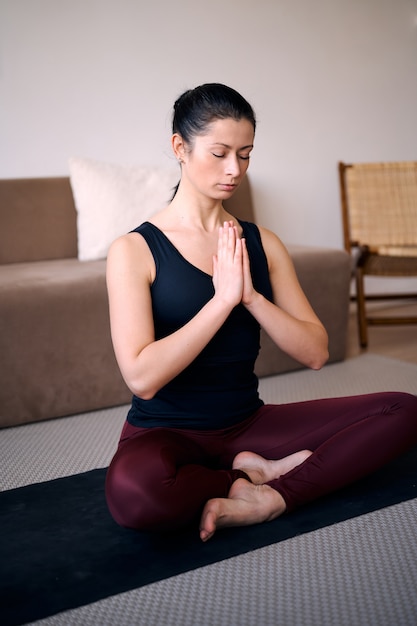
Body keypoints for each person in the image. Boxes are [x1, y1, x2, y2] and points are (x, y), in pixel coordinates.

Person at [105, 83, 417, 541]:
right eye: (220, 153)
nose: (235, 170)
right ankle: (250, 477)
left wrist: (252, 296)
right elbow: (141, 377)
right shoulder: (133, 250)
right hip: (165, 433)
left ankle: (273, 496)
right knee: (136, 495)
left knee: (403, 410)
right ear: (180, 147)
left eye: (246, 154)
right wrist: (222, 300)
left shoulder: (262, 242)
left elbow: (315, 352)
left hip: (248, 423)